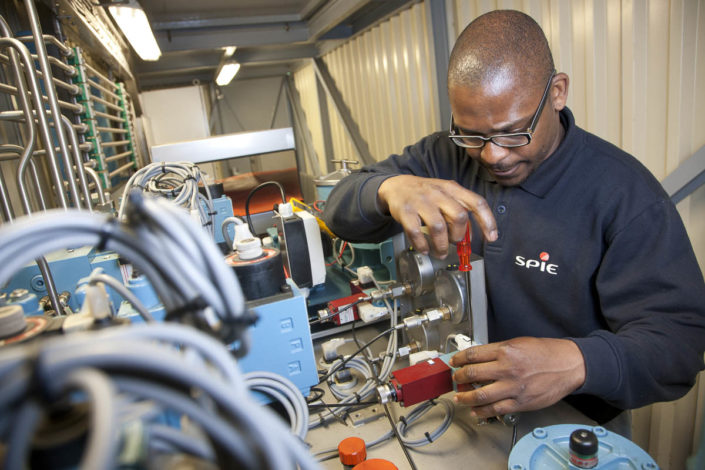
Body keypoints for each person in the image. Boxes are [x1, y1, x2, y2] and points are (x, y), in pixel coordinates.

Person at [322, 10, 705, 430]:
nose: (492, 155)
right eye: (472, 135)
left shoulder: (623, 194)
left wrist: (576, 362)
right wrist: (388, 188)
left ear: (557, 93)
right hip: (459, 403)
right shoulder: (442, 156)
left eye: (513, 132)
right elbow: (338, 212)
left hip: (572, 425)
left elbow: (681, 343)